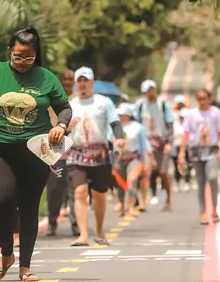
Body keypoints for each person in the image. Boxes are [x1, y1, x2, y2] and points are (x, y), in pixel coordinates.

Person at [0, 27, 72, 282]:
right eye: (18, 56)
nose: (23, 62)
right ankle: (6, 254)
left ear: (36, 56)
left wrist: (60, 125)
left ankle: (25, 266)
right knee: (1, 199)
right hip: (0, 148)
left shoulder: (46, 78)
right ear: (9, 53)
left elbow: (65, 108)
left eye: (29, 57)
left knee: (28, 206)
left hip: (35, 151)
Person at [67, 67, 124, 247]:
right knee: (80, 192)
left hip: (100, 153)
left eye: (86, 81)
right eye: (80, 81)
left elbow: (115, 122)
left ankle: (99, 230)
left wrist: (119, 138)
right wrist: (66, 127)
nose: (82, 84)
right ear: (76, 84)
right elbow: (59, 125)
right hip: (76, 153)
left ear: (92, 83)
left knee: (99, 195)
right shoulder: (69, 104)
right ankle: (83, 235)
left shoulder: (103, 102)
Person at [179, 89, 220, 224]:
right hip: (196, 150)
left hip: (211, 149)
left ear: (209, 98)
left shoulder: (215, 113)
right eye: (199, 98)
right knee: (200, 181)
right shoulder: (191, 114)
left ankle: (214, 209)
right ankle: (203, 212)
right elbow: (185, 133)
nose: (202, 101)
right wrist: (182, 152)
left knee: (212, 178)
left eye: (204, 98)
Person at [46, 69, 78, 237]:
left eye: (70, 79)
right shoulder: (52, 100)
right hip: (56, 154)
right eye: (64, 79)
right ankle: (52, 222)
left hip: (76, 154)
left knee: (75, 190)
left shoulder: (79, 100)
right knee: (54, 190)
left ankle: (76, 224)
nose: (67, 82)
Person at [135, 79, 175, 211]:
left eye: (151, 89)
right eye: (147, 90)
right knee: (146, 172)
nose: (150, 92)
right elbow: (137, 124)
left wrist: (169, 143)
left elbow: (170, 125)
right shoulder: (141, 106)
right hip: (147, 142)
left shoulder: (163, 105)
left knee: (164, 172)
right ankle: (143, 201)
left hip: (162, 142)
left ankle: (168, 201)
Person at [115, 103, 153, 216]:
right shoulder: (115, 126)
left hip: (134, 158)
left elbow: (145, 143)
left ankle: (131, 207)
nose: (121, 116)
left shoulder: (137, 127)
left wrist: (148, 160)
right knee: (121, 183)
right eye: (120, 114)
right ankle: (121, 204)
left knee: (132, 181)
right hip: (119, 158)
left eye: (123, 114)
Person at [171, 94, 192, 193]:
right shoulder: (172, 114)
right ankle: (177, 181)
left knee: (188, 163)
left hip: (187, 144)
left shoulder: (189, 114)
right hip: (176, 144)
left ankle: (187, 181)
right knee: (176, 164)